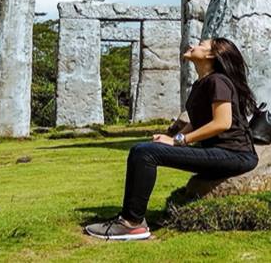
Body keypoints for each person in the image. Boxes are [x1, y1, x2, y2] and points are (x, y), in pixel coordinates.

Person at [85, 37, 259, 241]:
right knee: (145, 150)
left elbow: (222, 123)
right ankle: (129, 220)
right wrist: (170, 138)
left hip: (235, 154)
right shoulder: (201, 84)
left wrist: (179, 141)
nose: (193, 45)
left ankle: (132, 224)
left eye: (201, 45)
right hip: (219, 152)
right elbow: (197, 121)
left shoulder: (218, 81)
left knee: (144, 153)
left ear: (211, 55)